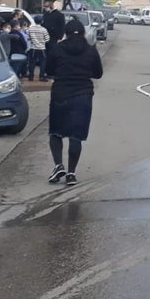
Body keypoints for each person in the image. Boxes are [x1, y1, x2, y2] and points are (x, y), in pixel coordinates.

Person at [45, 18, 103, 186]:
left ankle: (58, 165)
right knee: (75, 135)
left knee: (55, 132)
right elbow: (98, 74)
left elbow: (48, 70)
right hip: (83, 95)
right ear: (83, 33)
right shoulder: (91, 51)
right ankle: (71, 173)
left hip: (60, 94)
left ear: (66, 32)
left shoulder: (57, 49)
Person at [26, 16, 50, 81]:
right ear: (41, 21)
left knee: (32, 62)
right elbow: (47, 39)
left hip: (33, 48)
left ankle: (31, 76)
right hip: (42, 48)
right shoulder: (44, 29)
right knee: (42, 62)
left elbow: (28, 38)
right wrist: (42, 42)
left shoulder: (30, 29)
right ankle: (41, 76)